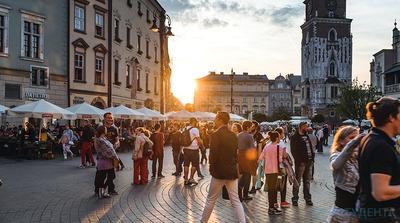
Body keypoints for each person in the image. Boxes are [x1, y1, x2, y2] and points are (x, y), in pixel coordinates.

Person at [358, 97, 400, 222]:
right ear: (391, 117)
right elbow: (380, 192)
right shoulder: (381, 146)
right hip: (382, 216)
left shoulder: (371, 138)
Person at [201, 112, 245, 223]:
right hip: (231, 171)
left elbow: (213, 154)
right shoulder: (233, 135)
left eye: (216, 118)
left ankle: (203, 221)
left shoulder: (216, 135)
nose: (215, 120)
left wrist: (212, 169)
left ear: (220, 120)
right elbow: (236, 154)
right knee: (236, 200)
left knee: (211, 199)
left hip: (219, 172)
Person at [327, 126, 364, 223]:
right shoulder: (336, 155)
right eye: (351, 138)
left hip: (357, 212)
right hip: (342, 213)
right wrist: (354, 142)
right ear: (341, 141)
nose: (356, 141)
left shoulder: (358, 157)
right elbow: (335, 165)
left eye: (357, 138)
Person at [258, 131, 284, 215]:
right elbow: (280, 160)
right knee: (274, 189)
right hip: (275, 170)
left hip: (268, 170)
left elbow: (261, 157)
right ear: (276, 138)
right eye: (279, 137)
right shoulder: (278, 147)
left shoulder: (267, 146)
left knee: (270, 189)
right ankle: (271, 208)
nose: (279, 138)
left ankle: (272, 207)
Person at [290, 121, 314, 206]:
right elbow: (293, 151)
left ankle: (308, 198)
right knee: (298, 181)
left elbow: (310, 148)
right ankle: (295, 198)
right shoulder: (294, 137)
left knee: (307, 181)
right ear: (301, 127)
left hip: (309, 162)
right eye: (306, 127)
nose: (307, 128)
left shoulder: (306, 136)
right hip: (301, 163)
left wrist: (312, 159)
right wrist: (299, 161)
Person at [94, 126, 119, 198]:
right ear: (102, 130)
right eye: (105, 129)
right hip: (104, 161)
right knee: (103, 177)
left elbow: (109, 149)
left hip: (107, 161)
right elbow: (106, 151)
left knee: (108, 176)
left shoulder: (103, 138)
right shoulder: (100, 140)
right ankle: (101, 192)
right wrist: (115, 157)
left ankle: (102, 191)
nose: (106, 130)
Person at [237, 120, 257, 201]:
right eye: (251, 127)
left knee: (244, 175)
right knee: (248, 175)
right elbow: (252, 148)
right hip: (247, 156)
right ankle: (245, 194)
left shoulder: (238, 135)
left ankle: (239, 192)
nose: (252, 128)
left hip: (239, 156)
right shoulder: (249, 136)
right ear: (248, 127)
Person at [275, 127, 292, 208]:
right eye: (283, 133)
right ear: (280, 134)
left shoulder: (270, 142)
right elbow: (284, 155)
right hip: (281, 167)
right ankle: (282, 201)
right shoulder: (281, 143)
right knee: (283, 184)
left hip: (272, 167)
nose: (284, 134)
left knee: (274, 185)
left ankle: (274, 202)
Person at [183, 118, 202, 186]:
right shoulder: (195, 129)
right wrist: (202, 146)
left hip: (185, 149)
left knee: (186, 164)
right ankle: (191, 178)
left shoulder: (184, 128)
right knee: (194, 164)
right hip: (194, 149)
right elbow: (199, 140)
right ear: (194, 122)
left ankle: (186, 180)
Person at [249, 121, 264, 194]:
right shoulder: (249, 134)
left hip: (256, 156)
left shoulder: (259, 135)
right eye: (251, 126)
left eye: (252, 126)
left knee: (253, 172)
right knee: (252, 172)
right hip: (249, 156)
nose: (251, 127)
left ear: (256, 127)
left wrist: (259, 158)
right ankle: (259, 182)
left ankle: (253, 187)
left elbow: (260, 147)